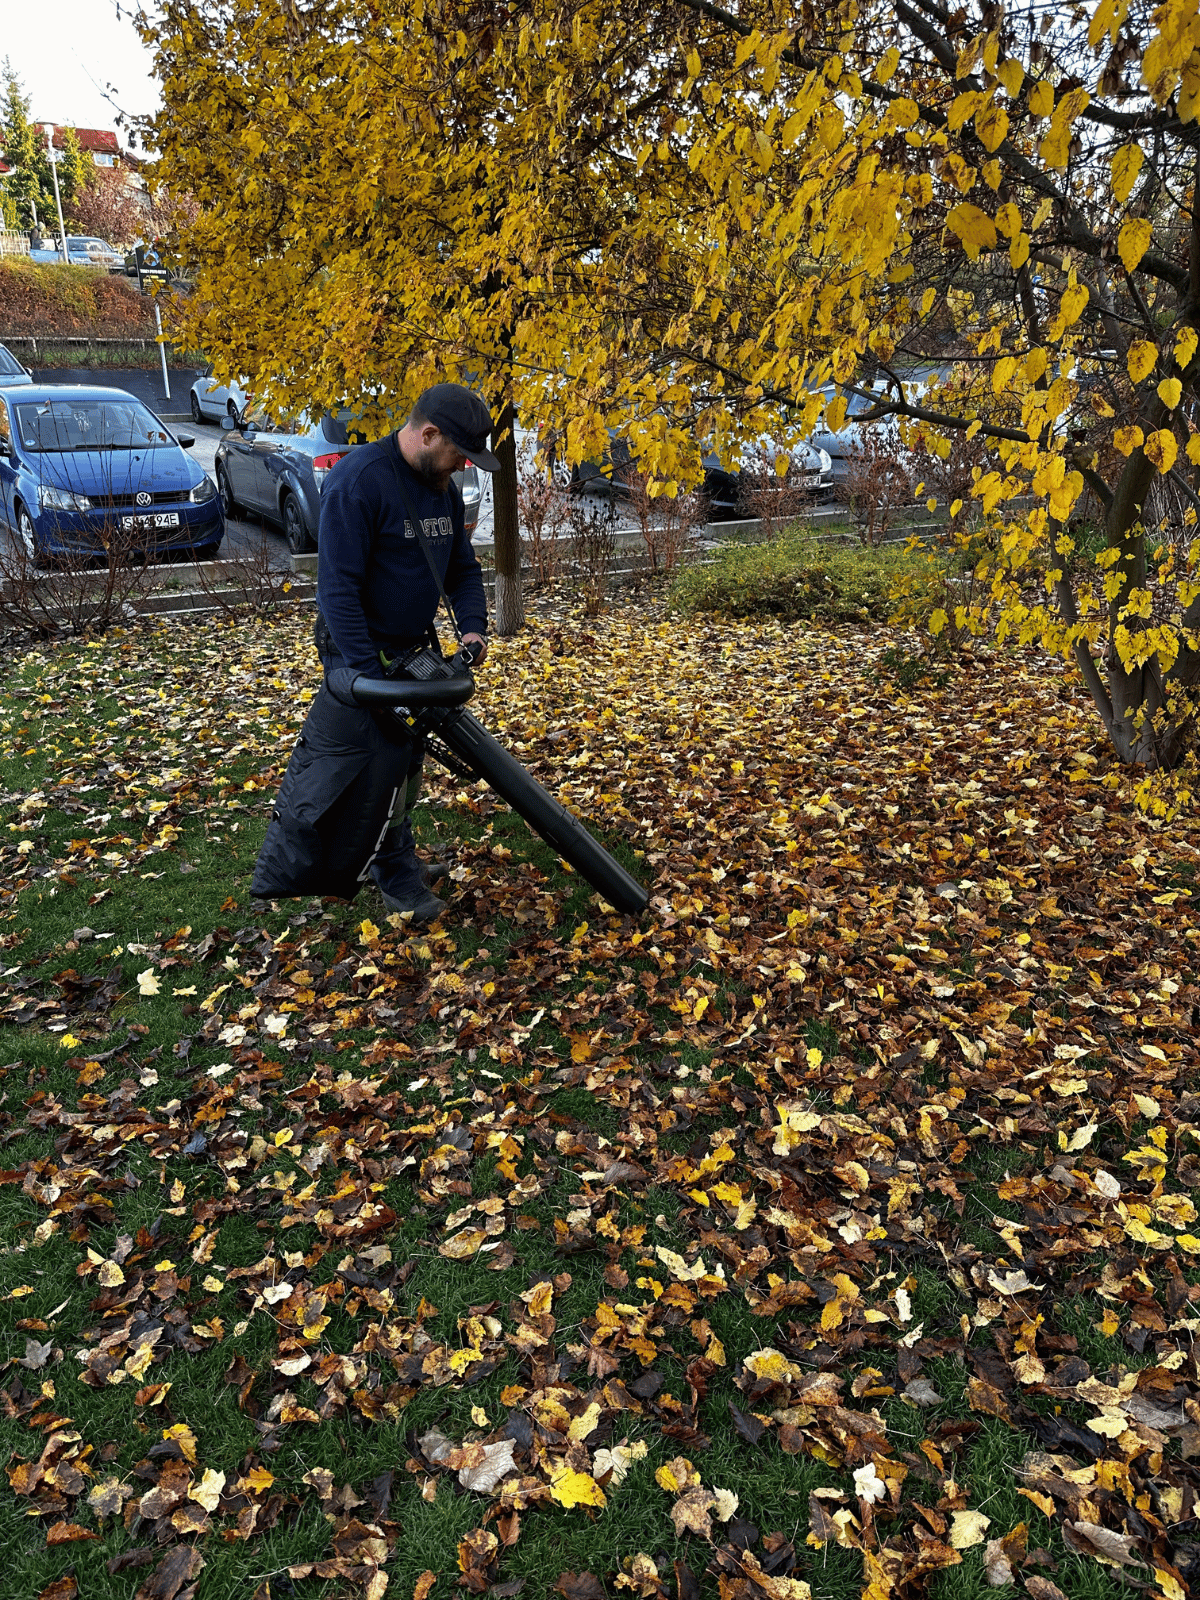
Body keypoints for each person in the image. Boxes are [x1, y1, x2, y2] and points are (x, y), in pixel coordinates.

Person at [251, 383, 498, 922]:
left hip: (413, 648)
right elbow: (336, 588)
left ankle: (397, 855)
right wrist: (366, 676)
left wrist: (473, 630)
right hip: (362, 652)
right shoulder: (358, 482)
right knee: (378, 766)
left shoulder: (441, 488)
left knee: (407, 760)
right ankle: (396, 879)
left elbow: (459, 568)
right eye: (460, 454)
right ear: (429, 434)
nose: (461, 468)